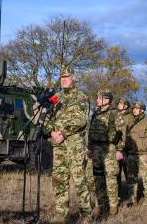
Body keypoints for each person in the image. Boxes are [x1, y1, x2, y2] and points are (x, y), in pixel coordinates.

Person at [44, 67, 92, 222]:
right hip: (58, 147)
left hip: (75, 146)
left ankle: (86, 216)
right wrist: (51, 132)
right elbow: (47, 118)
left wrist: (63, 133)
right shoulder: (55, 98)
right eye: (61, 77)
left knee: (79, 182)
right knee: (59, 180)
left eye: (67, 76)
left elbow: (81, 120)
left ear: (74, 77)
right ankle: (61, 215)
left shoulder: (81, 96)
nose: (63, 79)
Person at [87, 89, 125, 218]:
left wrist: (120, 150)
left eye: (99, 97)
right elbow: (91, 132)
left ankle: (113, 206)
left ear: (107, 100)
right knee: (97, 178)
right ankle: (100, 204)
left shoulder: (115, 114)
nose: (96, 100)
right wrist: (89, 148)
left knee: (110, 178)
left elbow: (123, 134)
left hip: (109, 149)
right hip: (96, 149)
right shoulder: (95, 113)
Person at [124, 101, 147, 204]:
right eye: (133, 108)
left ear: (142, 110)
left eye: (137, 108)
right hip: (131, 154)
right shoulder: (129, 122)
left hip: (143, 155)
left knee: (146, 177)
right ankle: (132, 198)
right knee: (131, 178)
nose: (134, 110)